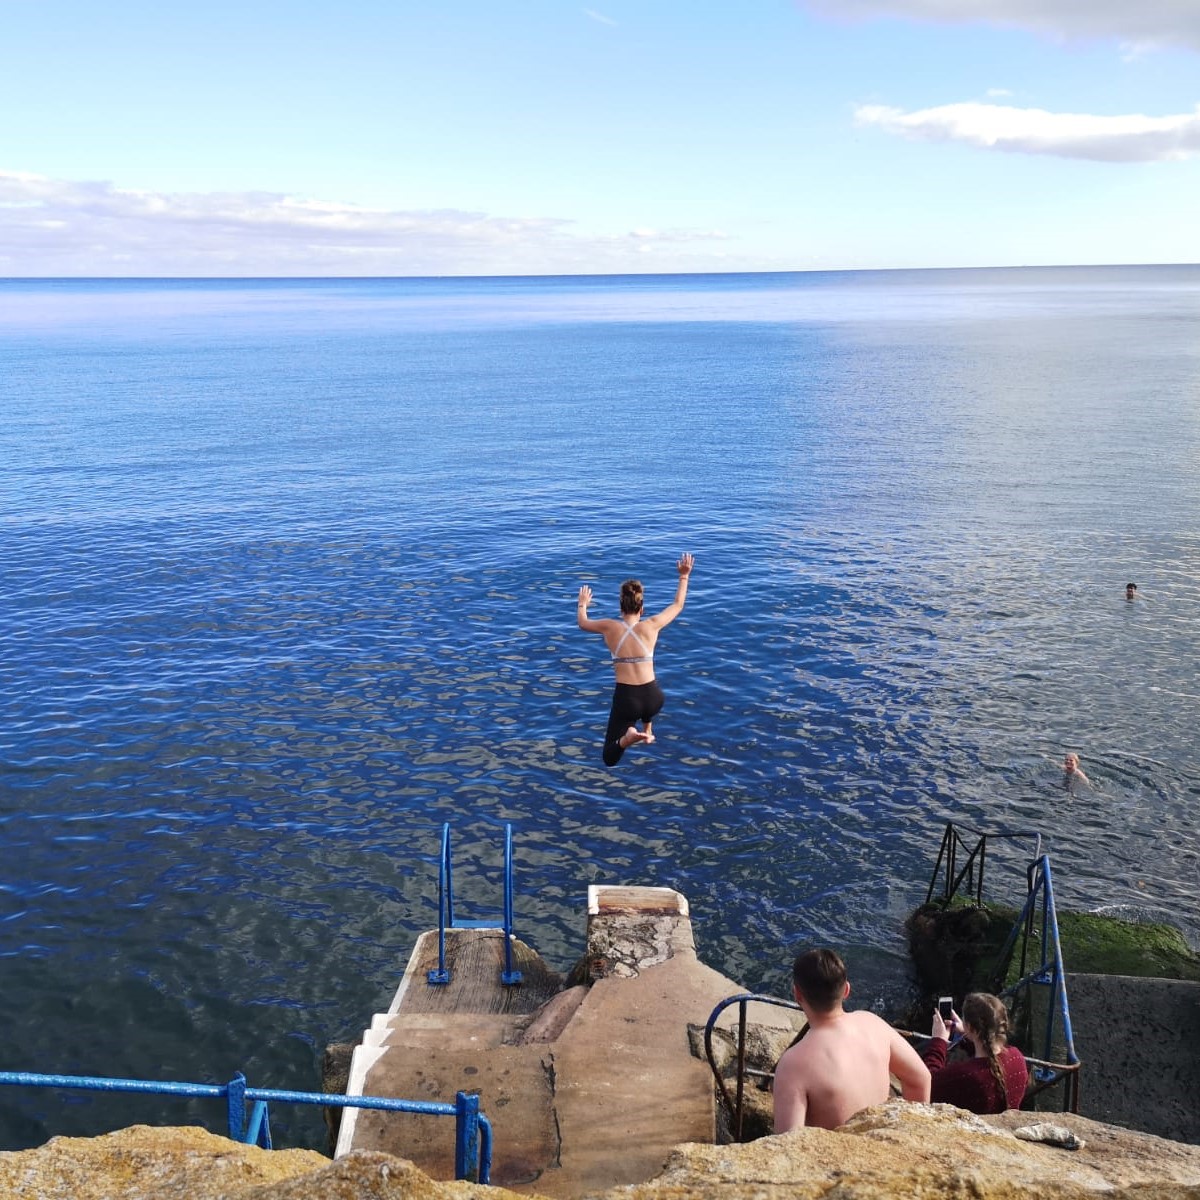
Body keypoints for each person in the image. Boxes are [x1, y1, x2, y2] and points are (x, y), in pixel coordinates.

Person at [773, 949, 931, 1133]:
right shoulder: (873, 1023)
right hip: (882, 1145)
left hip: (834, 1157)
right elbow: (921, 1078)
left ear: (797, 994)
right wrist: (909, 1133)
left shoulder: (794, 1063)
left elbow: (787, 1139)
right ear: (846, 990)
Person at [577, 553, 694, 766]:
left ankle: (627, 738)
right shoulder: (652, 625)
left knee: (609, 756)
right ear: (642, 609)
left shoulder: (609, 627)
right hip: (654, 698)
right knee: (646, 708)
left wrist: (583, 603)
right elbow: (677, 605)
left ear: (620, 608)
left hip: (627, 699)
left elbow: (583, 623)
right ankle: (647, 730)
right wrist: (684, 576)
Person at [923, 992, 1028, 1114]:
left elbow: (927, 1082)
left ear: (971, 1028)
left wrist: (938, 1041)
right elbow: (989, 1051)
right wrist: (967, 1034)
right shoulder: (1017, 1057)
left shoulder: (966, 1075)